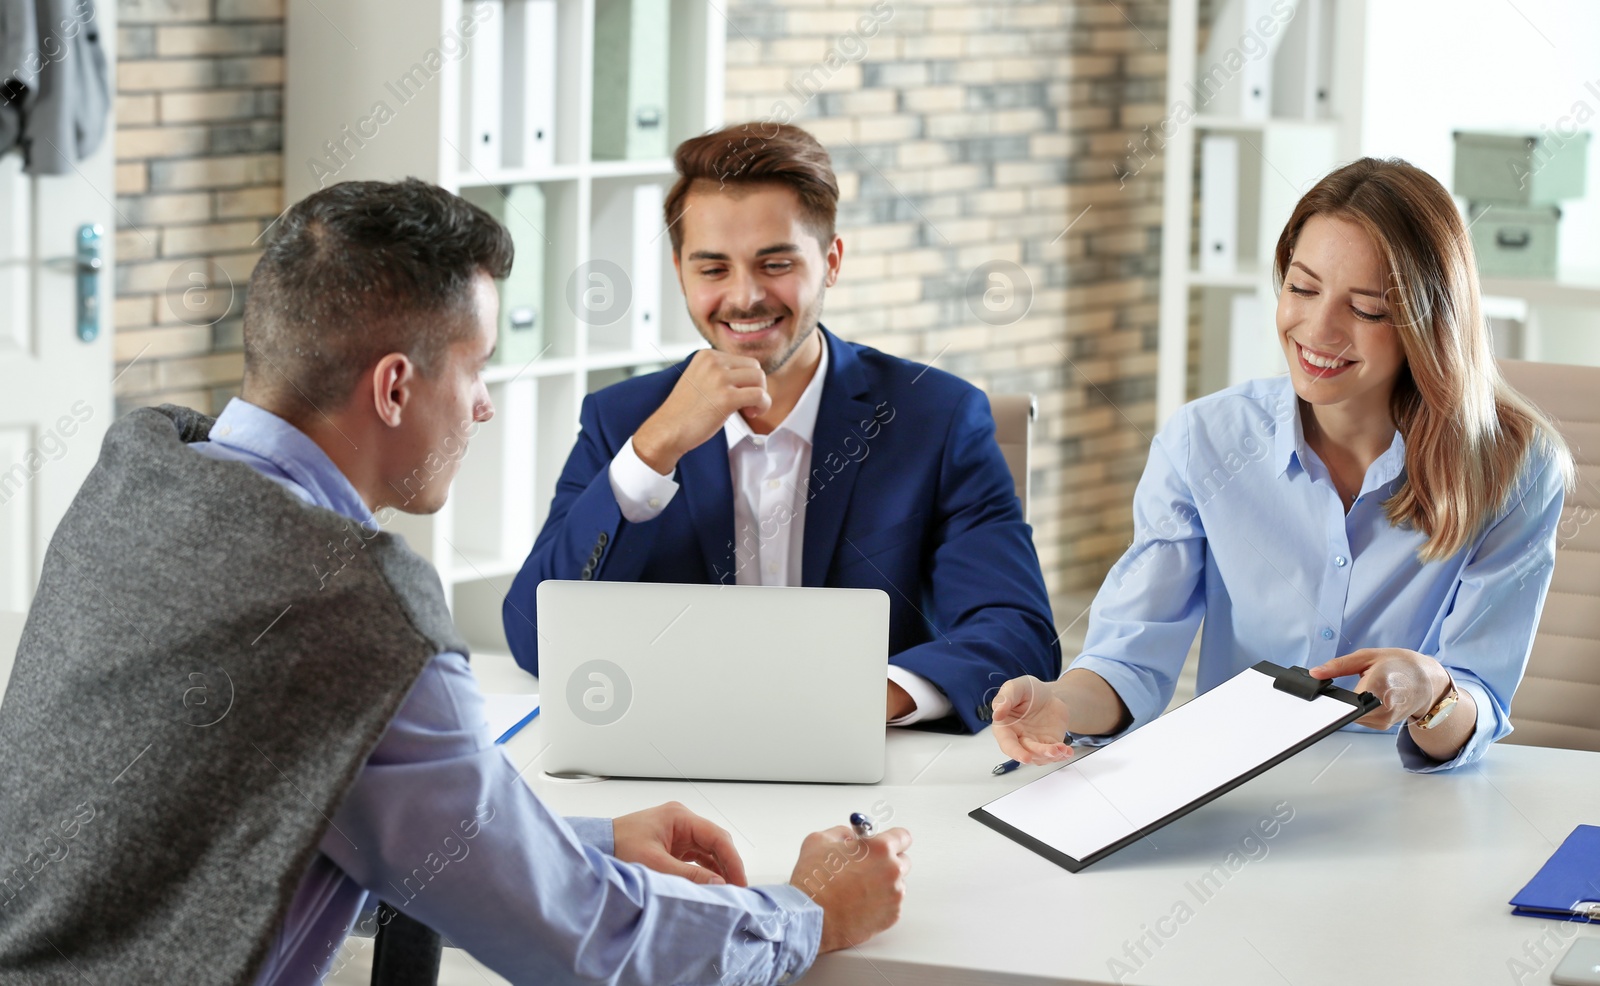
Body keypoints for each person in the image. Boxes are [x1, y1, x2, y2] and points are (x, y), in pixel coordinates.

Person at [0, 179, 911, 984]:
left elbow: (242, 835)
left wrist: (574, 848)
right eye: (476, 369)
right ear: (395, 389)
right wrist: (809, 912)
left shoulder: (143, 475)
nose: (482, 404)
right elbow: (580, 946)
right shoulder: (358, 608)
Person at [989, 157, 1572, 772]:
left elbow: (1478, 699)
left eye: (1367, 309)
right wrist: (1059, 704)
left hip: (1405, 799)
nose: (1319, 330)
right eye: (1302, 287)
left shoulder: (1515, 468)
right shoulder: (1204, 441)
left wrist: (1430, 694)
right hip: (1235, 786)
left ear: (1428, 325)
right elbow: (1129, 658)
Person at [504, 123, 1060, 732]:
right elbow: (536, 639)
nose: (744, 297)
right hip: (673, 763)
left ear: (831, 262)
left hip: (870, 764)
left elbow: (1017, 631)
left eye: (775, 263)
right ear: (679, 269)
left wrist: (866, 699)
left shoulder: (938, 417)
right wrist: (652, 452)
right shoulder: (622, 421)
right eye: (712, 269)